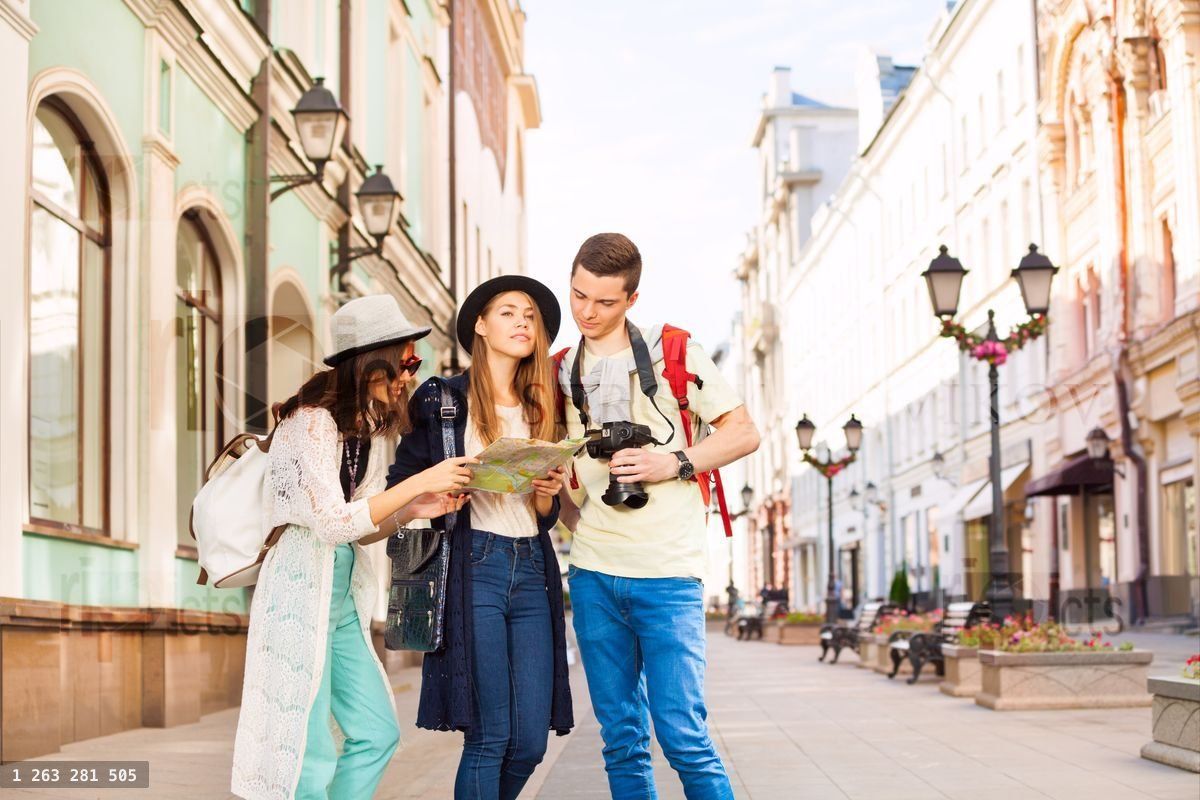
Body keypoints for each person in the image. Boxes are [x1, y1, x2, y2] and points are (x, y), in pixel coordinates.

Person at [232, 295, 478, 800]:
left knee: (378, 733)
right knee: (310, 749)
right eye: (407, 361)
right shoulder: (309, 422)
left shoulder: (362, 430)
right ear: (373, 362)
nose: (410, 375)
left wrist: (413, 510)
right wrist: (418, 482)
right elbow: (328, 521)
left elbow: (360, 526)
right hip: (301, 593)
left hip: (342, 602)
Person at [557, 233, 760, 799]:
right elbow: (549, 472)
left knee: (683, 736)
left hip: (669, 575)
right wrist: (579, 522)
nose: (587, 313)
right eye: (578, 296)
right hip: (594, 575)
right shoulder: (558, 370)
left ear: (632, 299)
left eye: (605, 302)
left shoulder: (674, 351)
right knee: (621, 738)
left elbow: (744, 433)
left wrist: (668, 461)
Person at [387, 275, 574, 800]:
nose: (521, 323)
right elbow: (399, 488)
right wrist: (442, 484)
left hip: (533, 569)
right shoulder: (442, 400)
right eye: (509, 312)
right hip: (475, 566)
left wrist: (546, 489)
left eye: (531, 317)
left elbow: (543, 516)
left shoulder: (543, 409)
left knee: (531, 742)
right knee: (490, 736)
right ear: (482, 326)